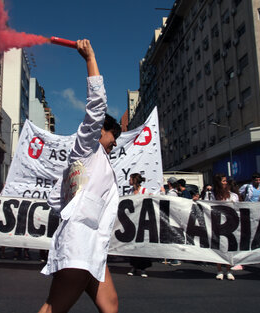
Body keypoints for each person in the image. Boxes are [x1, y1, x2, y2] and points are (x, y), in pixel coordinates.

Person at [39, 39, 121, 313]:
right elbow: (97, 105)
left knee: (110, 305)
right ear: (100, 131)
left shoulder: (96, 161)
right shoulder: (86, 147)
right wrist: (90, 58)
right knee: (53, 308)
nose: (116, 142)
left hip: (93, 247)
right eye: (114, 135)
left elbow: (58, 202)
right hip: (79, 247)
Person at [204, 173, 238, 281]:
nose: (225, 183)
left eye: (225, 181)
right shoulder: (211, 195)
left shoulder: (233, 195)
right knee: (218, 246)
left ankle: (229, 270)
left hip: (230, 224)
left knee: (229, 247)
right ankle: (219, 270)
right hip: (216, 223)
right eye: (223, 181)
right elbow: (205, 205)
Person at [126, 173, 151, 278]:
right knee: (134, 245)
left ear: (134, 180)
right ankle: (134, 266)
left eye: (130, 179)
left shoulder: (145, 191)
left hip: (143, 221)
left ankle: (143, 268)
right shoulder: (130, 192)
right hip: (133, 221)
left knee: (142, 245)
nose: (129, 181)